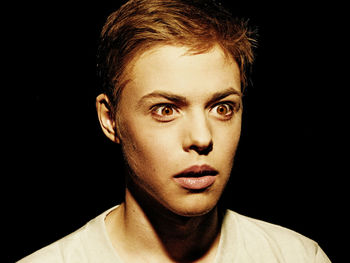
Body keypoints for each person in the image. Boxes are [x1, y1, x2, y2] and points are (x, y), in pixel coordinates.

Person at [18, 0, 331, 262]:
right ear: (110, 119)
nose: (201, 138)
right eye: (165, 110)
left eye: (222, 107)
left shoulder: (297, 256)